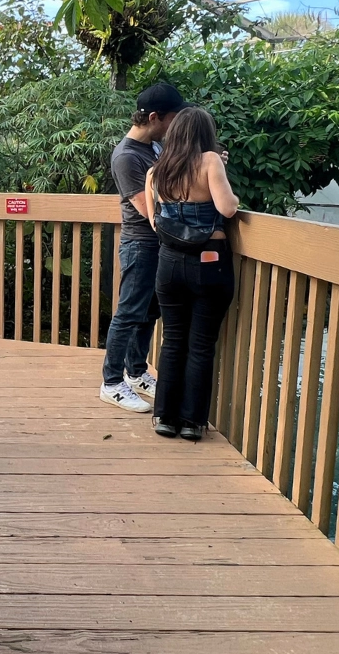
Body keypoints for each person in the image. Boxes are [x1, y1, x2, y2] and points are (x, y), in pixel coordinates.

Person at [141, 106, 239, 439]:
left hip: (169, 263)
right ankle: (192, 423)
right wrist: (224, 175)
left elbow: (155, 223)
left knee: (172, 341)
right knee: (200, 345)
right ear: (204, 134)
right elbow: (227, 207)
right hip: (209, 262)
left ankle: (165, 418)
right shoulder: (211, 161)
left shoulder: (155, 172)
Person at [99, 82, 189, 413]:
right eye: (172, 119)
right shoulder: (126, 156)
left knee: (150, 312)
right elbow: (145, 207)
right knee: (128, 313)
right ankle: (110, 382)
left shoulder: (154, 149)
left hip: (159, 243)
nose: (175, 126)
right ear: (155, 117)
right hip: (140, 243)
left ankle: (136, 372)